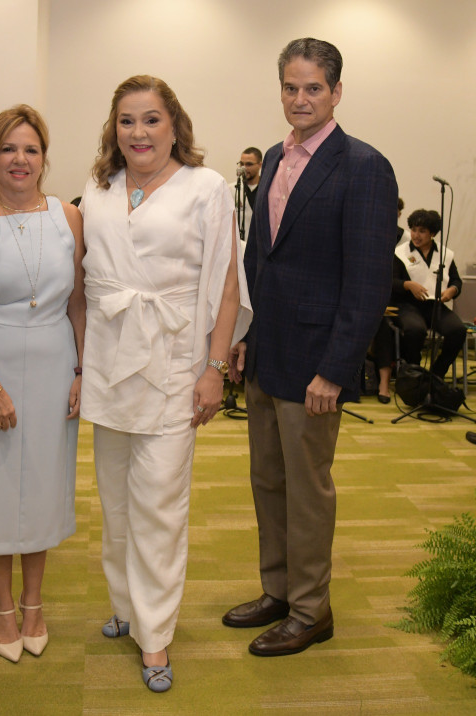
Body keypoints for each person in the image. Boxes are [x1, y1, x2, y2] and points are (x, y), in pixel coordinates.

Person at [223, 38, 398, 657]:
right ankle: (277, 590)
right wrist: (241, 335)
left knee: (307, 486)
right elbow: (259, 256)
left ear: (337, 92)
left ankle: (311, 609)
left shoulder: (364, 166)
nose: (300, 99)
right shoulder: (272, 156)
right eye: (291, 88)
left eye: (313, 88)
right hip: (267, 350)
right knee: (267, 480)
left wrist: (336, 368)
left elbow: (369, 278)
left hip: (316, 364)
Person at [79, 75, 252, 692]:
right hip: (109, 360)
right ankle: (126, 607)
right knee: (116, 500)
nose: (139, 132)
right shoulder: (97, 188)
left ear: (174, 125)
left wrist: (213, 369)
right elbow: (83, 282)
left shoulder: (207, 188)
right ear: (114, 129)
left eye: (151, 120)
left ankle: (156, 637)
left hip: (175, 362)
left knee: (160, 504)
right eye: (127, 121)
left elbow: (225, 283)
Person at [0, 105, 85, 664]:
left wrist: (82, 370)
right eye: (9, 149)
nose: (20, 160)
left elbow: (79, 300)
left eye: (30, 149)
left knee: (44, 483)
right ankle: (3, 605)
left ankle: (35, 603)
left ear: (43, 158)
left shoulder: (68, 216)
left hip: (56, 355)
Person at [392, 208, 465, 379]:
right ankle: (414, 372)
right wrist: (408, 285)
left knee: (458, 331)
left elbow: (456, 281)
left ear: (432, 233)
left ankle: (437, 374)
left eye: (422, 231)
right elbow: (391, 282)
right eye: (414, 230)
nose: (416, 235)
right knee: (415, 330)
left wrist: (452, 290)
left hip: (434, 305)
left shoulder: (445, 254)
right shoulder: (400, 253)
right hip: (407, 305)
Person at [231, 147, 262, 242]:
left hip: (260, 246)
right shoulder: (231, 190)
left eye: (249, 164)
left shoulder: (267, 190)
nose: (244, 168)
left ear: (260, 165)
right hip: (239, 245)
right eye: (241, 164)